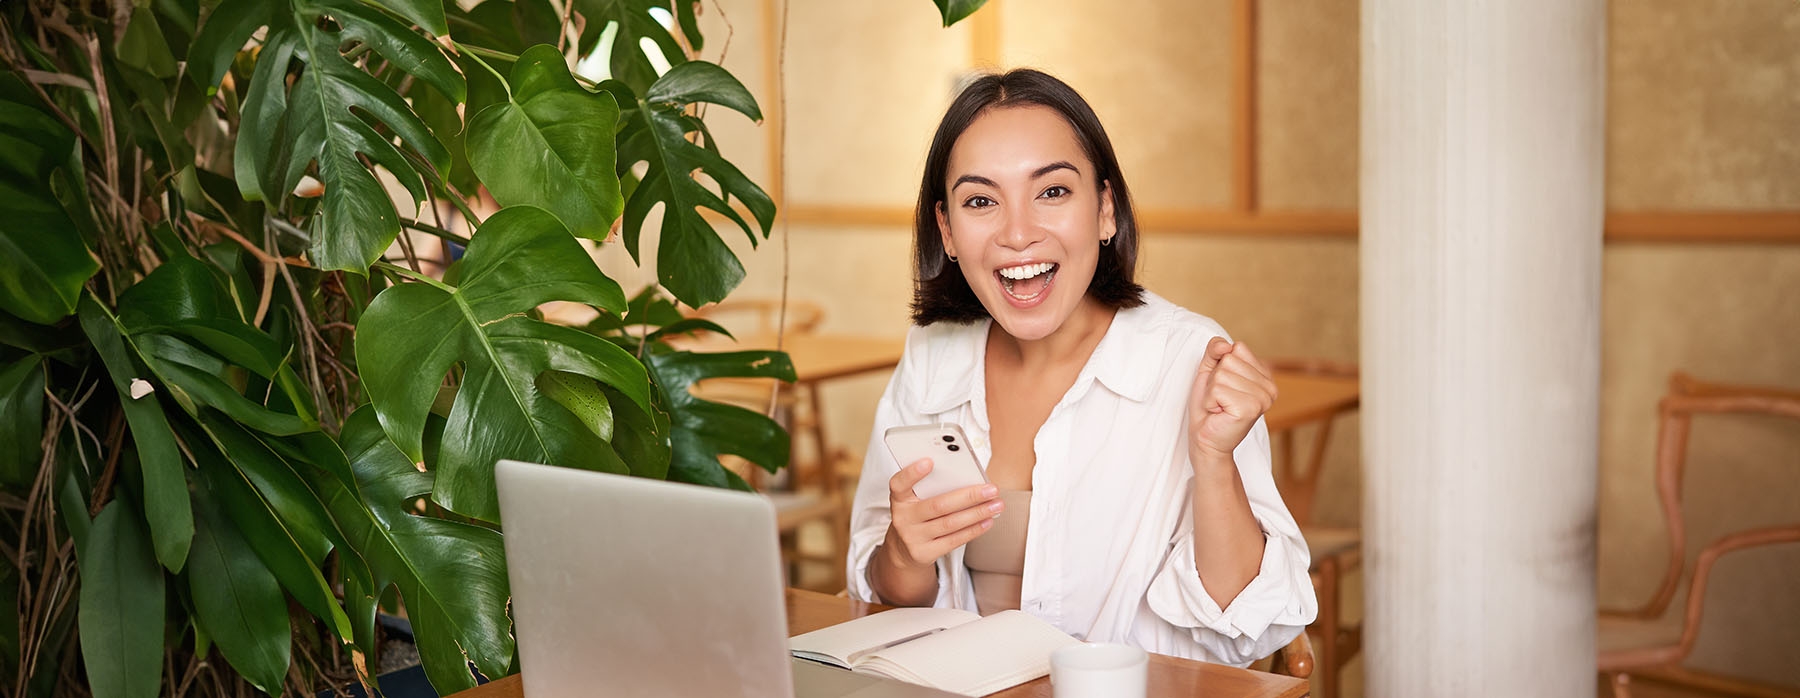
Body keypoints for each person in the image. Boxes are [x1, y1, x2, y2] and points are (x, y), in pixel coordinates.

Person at [845, 69, 1317, 666]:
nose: (1017, 235)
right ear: (948, 230)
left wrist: (1215, 461)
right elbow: (886, 591)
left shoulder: (1188, 357)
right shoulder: (934, 351)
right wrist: (906, 554)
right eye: (981, 201)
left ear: (1105, 210)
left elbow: (1243, 627)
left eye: (1052, 192)